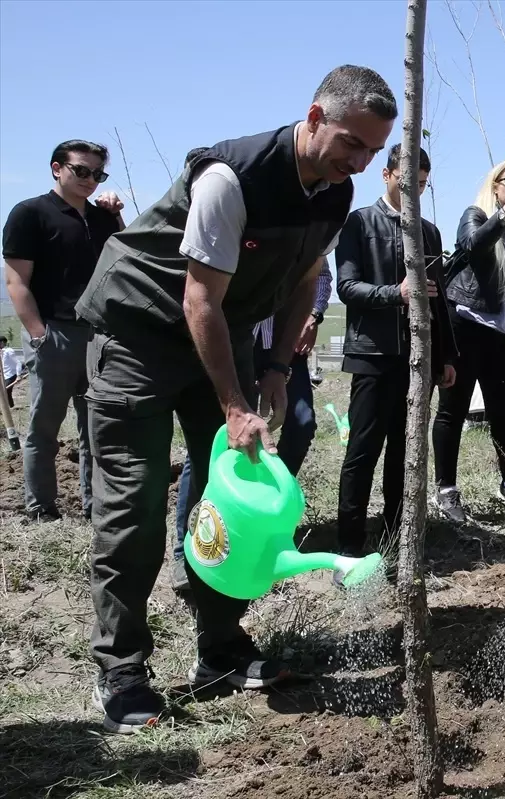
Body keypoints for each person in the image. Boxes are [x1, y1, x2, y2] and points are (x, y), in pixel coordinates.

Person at [74, 65, 396, 734]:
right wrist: (234, 403)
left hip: (220, 336)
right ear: (314, 118)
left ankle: (219, 650)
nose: (359, 161)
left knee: (225, 499)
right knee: (133, 507)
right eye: (350, 142)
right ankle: (123, 668)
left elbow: (305, 280)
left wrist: (278, 364)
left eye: (371, 150)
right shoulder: (230, 177)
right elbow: (200, 299)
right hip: (141, 333)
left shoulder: (334, 193)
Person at [170, 258, 333, 595]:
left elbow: (319, 275)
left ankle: (260, 518)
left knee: (301, 423)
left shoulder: (307, 227)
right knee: (214, 442)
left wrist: (314, 315)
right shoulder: (243, 219)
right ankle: (187, 546)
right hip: (232, 341)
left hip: (283, 346)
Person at [335, 144, 457, 556]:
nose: (414, 193)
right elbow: (347, 287)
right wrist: (397, 293)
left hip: (417, 362)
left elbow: (440, 301)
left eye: (422, 186)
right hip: (372, 356)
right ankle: (349, 547)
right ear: (386, 175)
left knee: (405, 454)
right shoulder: (358, 224)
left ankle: (395, 544)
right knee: (363, 452)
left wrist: (445, 357)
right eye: (408, 184)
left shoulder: (429, 232)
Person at [1, 140, 125, 520]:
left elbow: (125, 257)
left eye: (98, 174)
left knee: (96, 429)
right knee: (44, 427)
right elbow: (16, 283)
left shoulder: (102, 218)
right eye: (81, 171)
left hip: (98, 336)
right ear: (57, 168)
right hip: (53, 333)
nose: (90, 180)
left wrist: (116, 214)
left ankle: (94, 507)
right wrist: (38, 334)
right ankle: (41, 509)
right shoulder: (29, 214)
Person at [433, 158, 505, 523]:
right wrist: (504, 216)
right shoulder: (475, 214)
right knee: (452, 411)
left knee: (504, 415)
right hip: (465, 326)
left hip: (502, 336)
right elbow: (471, 245)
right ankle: (446, 489)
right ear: (495, 186)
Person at [1, 336, 20, 406]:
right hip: (4, 376)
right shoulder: (1, 352)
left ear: (2, 342)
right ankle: (9, 407)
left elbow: (18, 363)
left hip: (11, 375)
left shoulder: (9, 351)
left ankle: (11, 408)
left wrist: (18, 375)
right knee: (5, 392)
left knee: (6, 392)